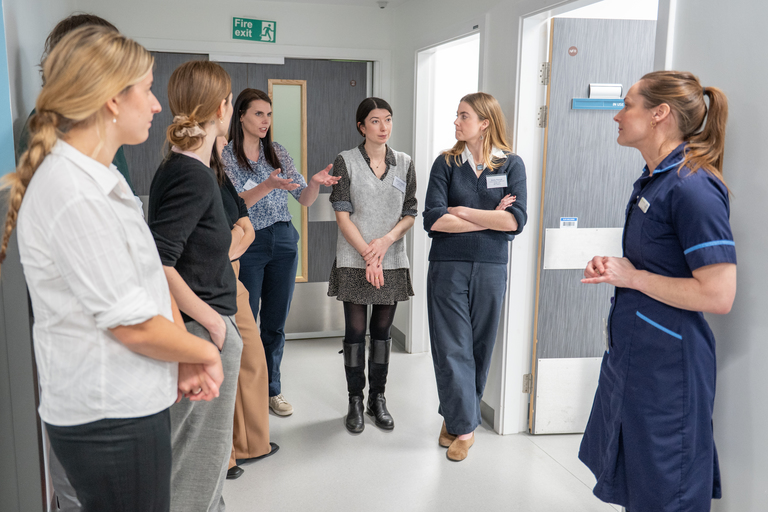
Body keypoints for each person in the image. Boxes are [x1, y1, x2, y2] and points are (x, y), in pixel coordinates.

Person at [1, 26, 223, 511]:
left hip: (131, 402)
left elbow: (146, 276)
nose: (157, 105)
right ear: (111, 101)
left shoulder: (102, 179)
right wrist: (201, 350)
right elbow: (133, 326)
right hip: (107, 419)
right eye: (146, 89)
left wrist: (180, 355)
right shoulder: (71, 191)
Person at [579, 71, 736, 512]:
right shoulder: (656, 179)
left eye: (627, 104)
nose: (617, 115)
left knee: (670, 494)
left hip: (670, 373)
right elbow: (657, 265)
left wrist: (634, 279)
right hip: (638, 362)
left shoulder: (693, 187)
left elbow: (718, 295)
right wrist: (619, 269)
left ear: (659, 114)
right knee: (640, 487)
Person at [147, 61, 242, 512]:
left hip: (205, 325)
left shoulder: (186, 167)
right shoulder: (190, 174)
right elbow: (159, 262)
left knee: (204, 461)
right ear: (222, 109)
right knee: (196, 462)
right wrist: (211, 325)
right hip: (202, 329)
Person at [422, 92, 527, 461]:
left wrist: (463, 211)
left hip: (492, 269)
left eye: (463, 116)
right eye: (456, 116)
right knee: (451, 346)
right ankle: (466, 430)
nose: (456, 122)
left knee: (479, 347)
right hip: (447, 267)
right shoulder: (446, 164)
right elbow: (433, 219)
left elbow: (514, 222)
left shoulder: (511, 165)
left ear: (484, 123)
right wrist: (489, 218)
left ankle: (455, 417)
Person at [222, 88, 338, 416]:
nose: (265, 120)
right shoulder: (227, 156)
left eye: (269, 114)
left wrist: (313, 183)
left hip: (284, 241)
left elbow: (303, 198)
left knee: (274, 324)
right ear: (241, 116)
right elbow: (233, 206)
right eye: (258, 113)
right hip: (249, 243)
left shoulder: (278, 152)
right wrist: (268, 186)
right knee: (247, 321)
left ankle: (272, 390)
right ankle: (244, 391)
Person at [328, 97, 417, 433]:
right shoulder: (345, 161)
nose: (384, 128)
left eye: (388, 120)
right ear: (361, 126)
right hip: (355, 259)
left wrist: (384, 243)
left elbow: (410, 212)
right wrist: (369, 252)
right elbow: (342, 213)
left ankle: (376, 399)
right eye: (375, 121)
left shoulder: (405, 163)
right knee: (354, 332)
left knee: (381, 334)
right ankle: (354, 399)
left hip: (391, 259)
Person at [213, 137, 280, 480]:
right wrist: (234, 238)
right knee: (222, 365)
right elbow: (216, 242)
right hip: (211, 279)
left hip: (232, 273)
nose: (225, 142)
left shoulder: (223, 179)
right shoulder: (195, 177)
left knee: (251, 356)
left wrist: (235, 237)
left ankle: (253, 443)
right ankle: (223, 456)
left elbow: (246, 227)